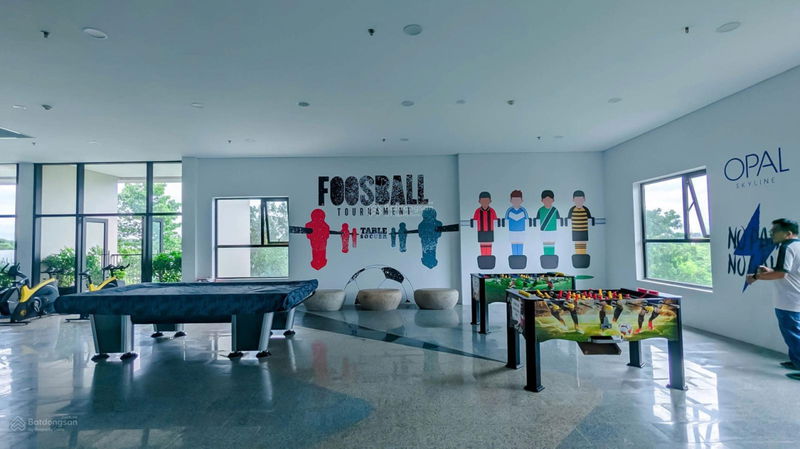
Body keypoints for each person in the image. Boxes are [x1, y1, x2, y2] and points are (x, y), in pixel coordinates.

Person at [747, 218, 800, 380]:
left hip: (789, 300)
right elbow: (789, 272)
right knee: (793, 333)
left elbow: (781, 274)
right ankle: (796, 361)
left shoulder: (786, 247)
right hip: (795, 298)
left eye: (775, 230)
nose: (771, 233)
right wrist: (770, 270)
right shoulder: (797, 246)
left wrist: (755, 277)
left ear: (788, 233)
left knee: (793, 334)